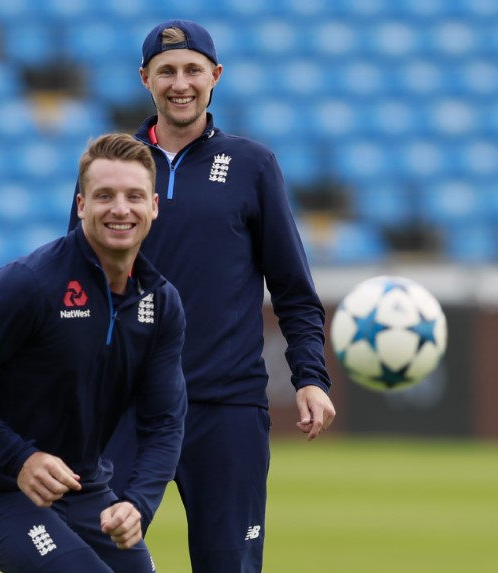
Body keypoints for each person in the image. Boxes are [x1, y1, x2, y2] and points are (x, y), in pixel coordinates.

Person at [67, 19, 337, 572]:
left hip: (225, 406)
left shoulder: (252, 166)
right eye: (166, 71)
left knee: (229, 564)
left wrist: (310, 376)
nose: (180, 82)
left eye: (193, 69)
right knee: (97, 558)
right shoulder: (111, 168)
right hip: (122, 405)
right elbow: (70, 281)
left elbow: (293, 288)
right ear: (146, 79)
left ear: (215, 76)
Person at [0, 133, 187, 573]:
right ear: (81, 205)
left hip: (84, 485)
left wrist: (138, 503)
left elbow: (164, 421)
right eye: (105, 196)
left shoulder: (161, 303)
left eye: (134, 196)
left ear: (153, 206)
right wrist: (17, 459)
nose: (121, 208)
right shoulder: (30, 283)